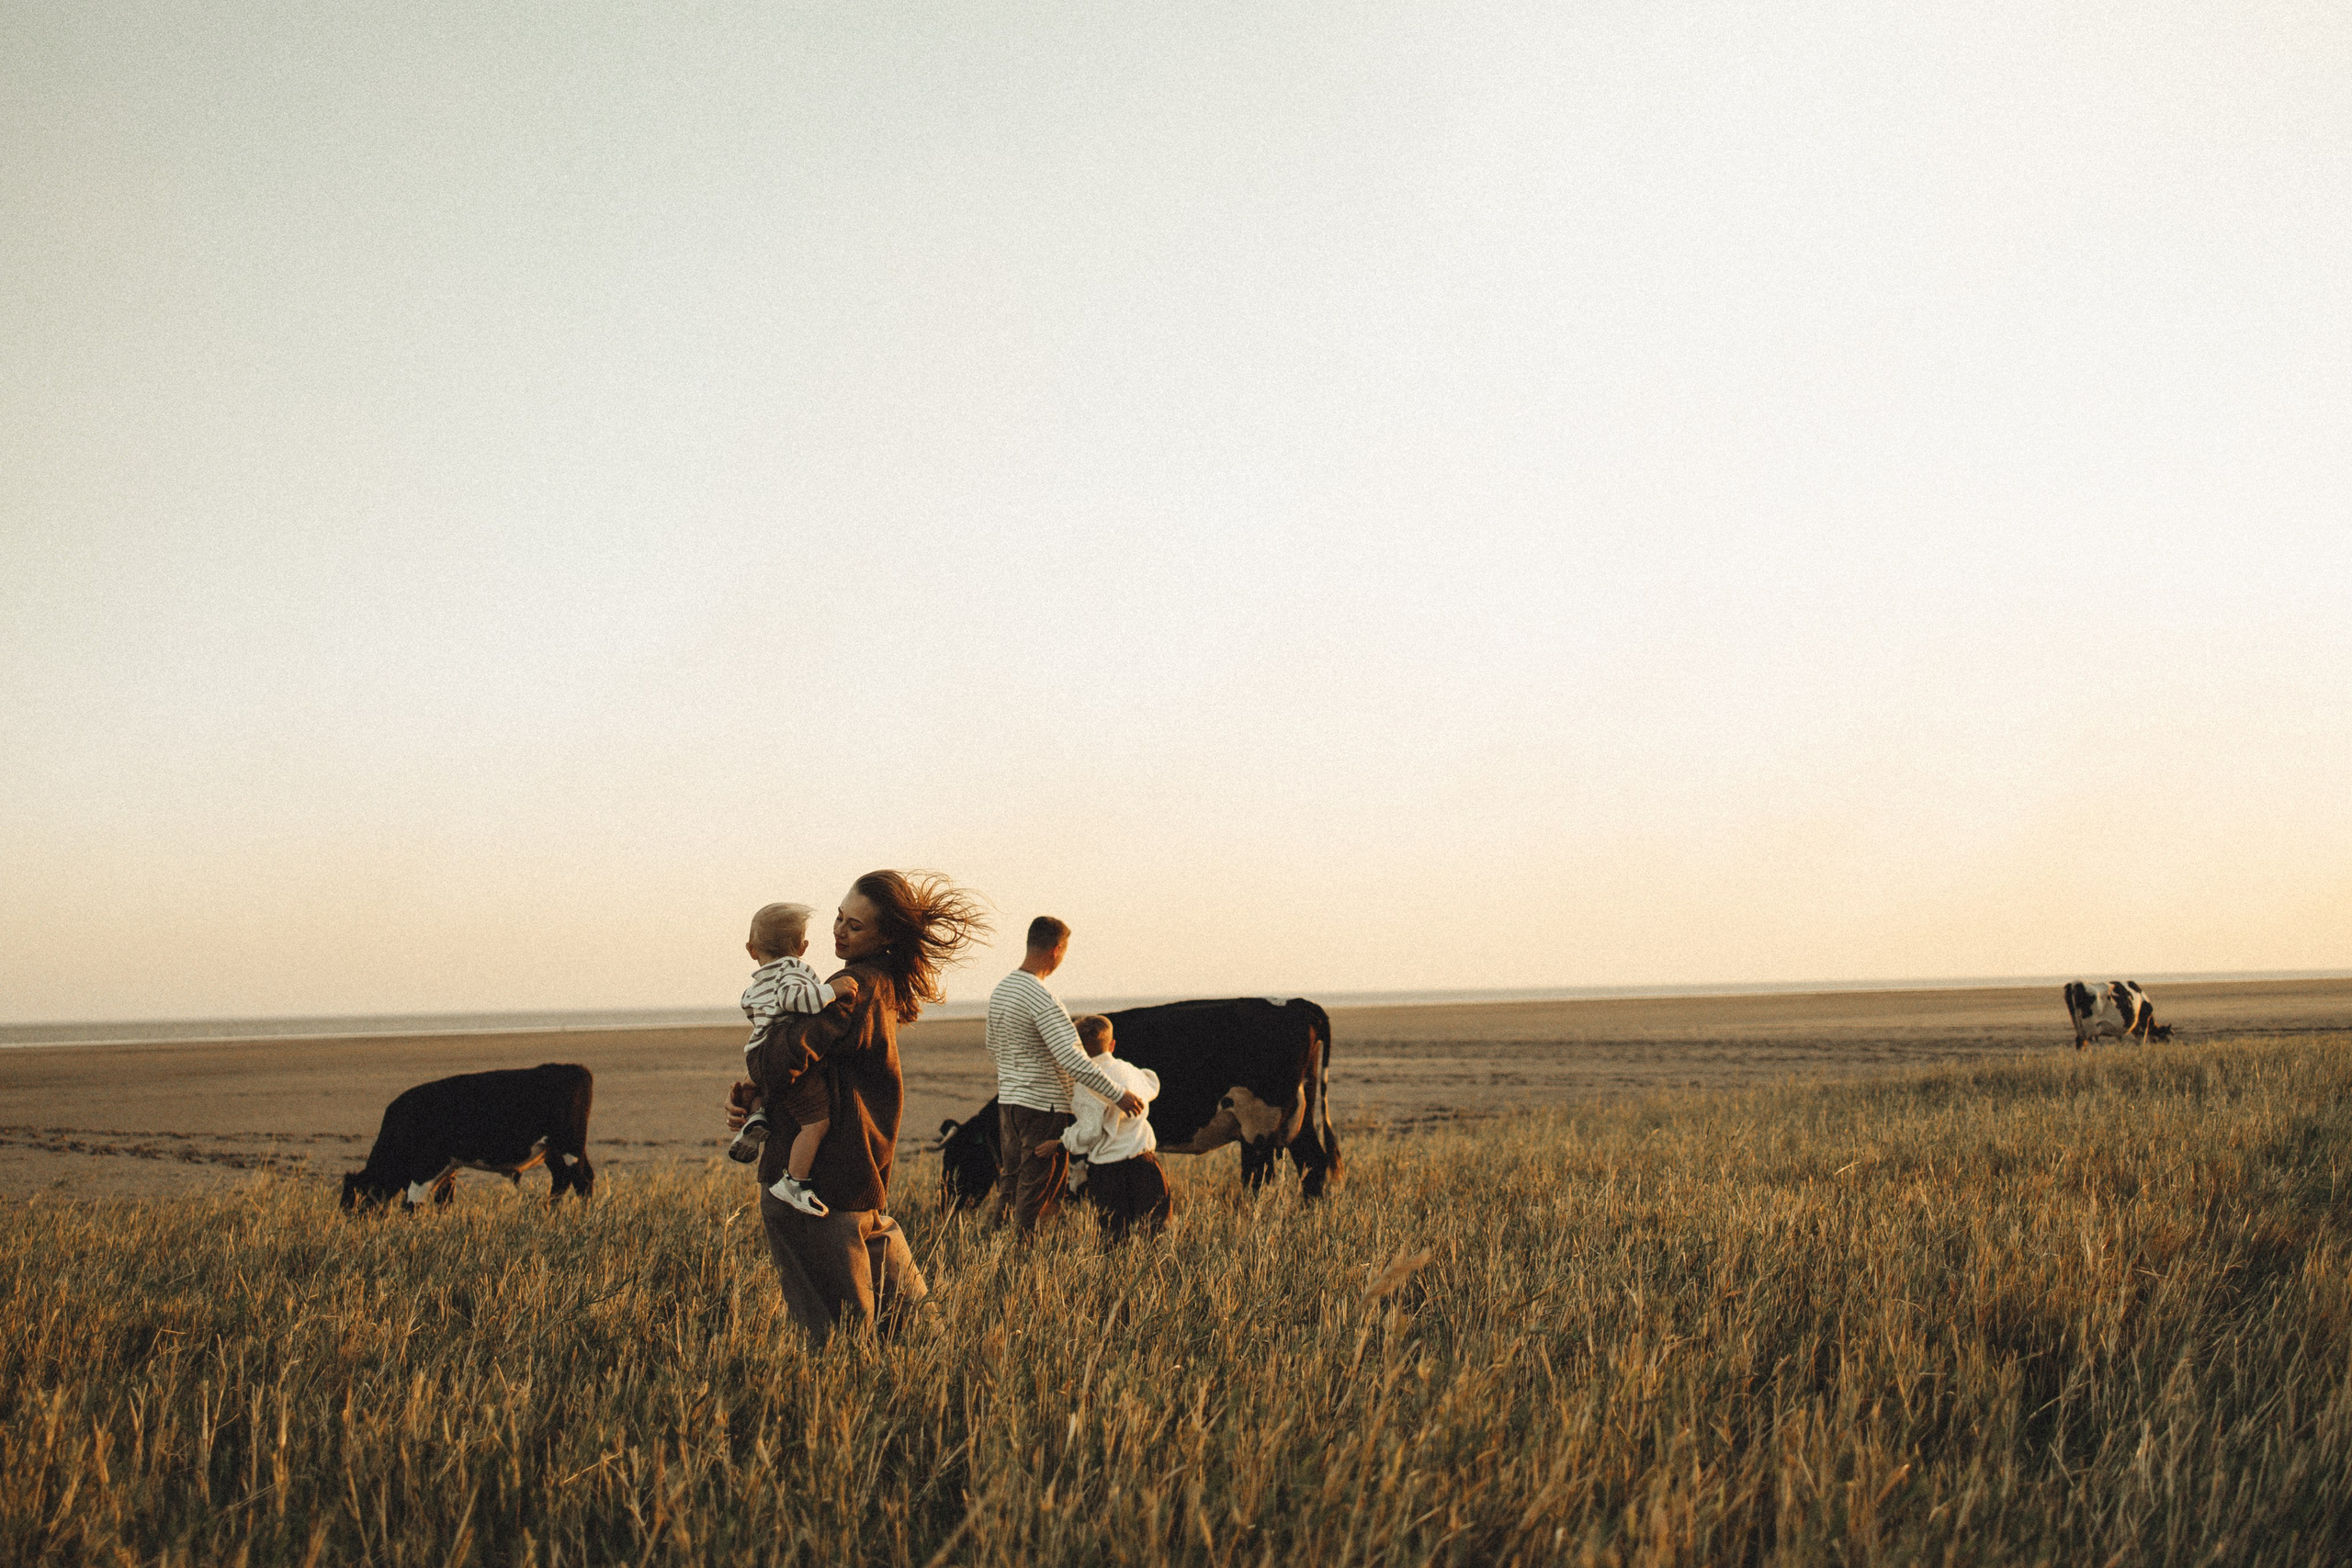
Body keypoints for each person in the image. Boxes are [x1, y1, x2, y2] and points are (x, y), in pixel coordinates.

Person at [726, 870, 989, 1344]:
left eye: (855, 926)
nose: (839, 931)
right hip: (861, 1179)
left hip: (819, 1190)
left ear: (885, 936)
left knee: (840, 1345)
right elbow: (816, 1069)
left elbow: (782, 1060)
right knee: (918, 1337)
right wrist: (756, 1090)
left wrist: (756, 1076)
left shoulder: (851, 987)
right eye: (839, 917)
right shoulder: (882, 983)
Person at [984, 916, 1145, 1235]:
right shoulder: (1043, 998)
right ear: (1056, 950)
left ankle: (994, 1239)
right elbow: (1072, 1057)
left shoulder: (1002, 990)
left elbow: (992, 1045)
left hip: (1009, 1102)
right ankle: (1021, 1253)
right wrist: (1118, 1094)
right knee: (1037, 1188)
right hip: (1043, 1107)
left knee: (1012, 1179)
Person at [726, 902, 859, 1216]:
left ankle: (758, 1116)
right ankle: (795, 1181)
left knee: (770, 1092)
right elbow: (794, 999)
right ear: (803, 947)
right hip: (777, 1054)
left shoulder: (756, 984)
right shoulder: (793, 971)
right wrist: (831, 990)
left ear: (751, 948)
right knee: (815, 1122)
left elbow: (752, 1011)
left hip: (755, 1053)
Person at [1040, 1014, 1173, 1238]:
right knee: (1156, 1232)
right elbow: (1152, 1083)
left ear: (1078, 1050)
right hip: (1145, 1163)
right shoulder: (1130, 1071)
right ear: (1112, 1044)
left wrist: (1061, 1142)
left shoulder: (1085, 1085)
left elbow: (1089, 1132)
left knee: (1114, 1235)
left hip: (1109, 1170)